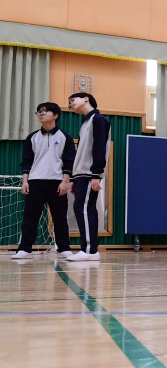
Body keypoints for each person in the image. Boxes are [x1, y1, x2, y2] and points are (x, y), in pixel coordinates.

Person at [12, 102, 76, 259]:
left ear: (55, 116)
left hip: (57, 183)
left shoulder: (65, 137)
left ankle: (64, 248)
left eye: (45, 111)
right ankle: (25, 249)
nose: (41, 114)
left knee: (60, 217)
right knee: (30, 217)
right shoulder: (32, 137)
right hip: (34, 182)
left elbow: (69, 161)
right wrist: (25, 181)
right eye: (39, 112)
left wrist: (65, 182)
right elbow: (26, 161)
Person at [65, 92, 110, 262]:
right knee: (82, 209)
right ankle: (89, 250)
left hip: (90, 173)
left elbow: (99, 148)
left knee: (85, 209)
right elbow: (82, 154)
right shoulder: (84, 124)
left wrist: (96, 174)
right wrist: (74, 180)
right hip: (81, 175)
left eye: (72, 101)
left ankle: (90, 251)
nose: (71, 105)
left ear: (86, 98)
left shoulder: (98, 120)